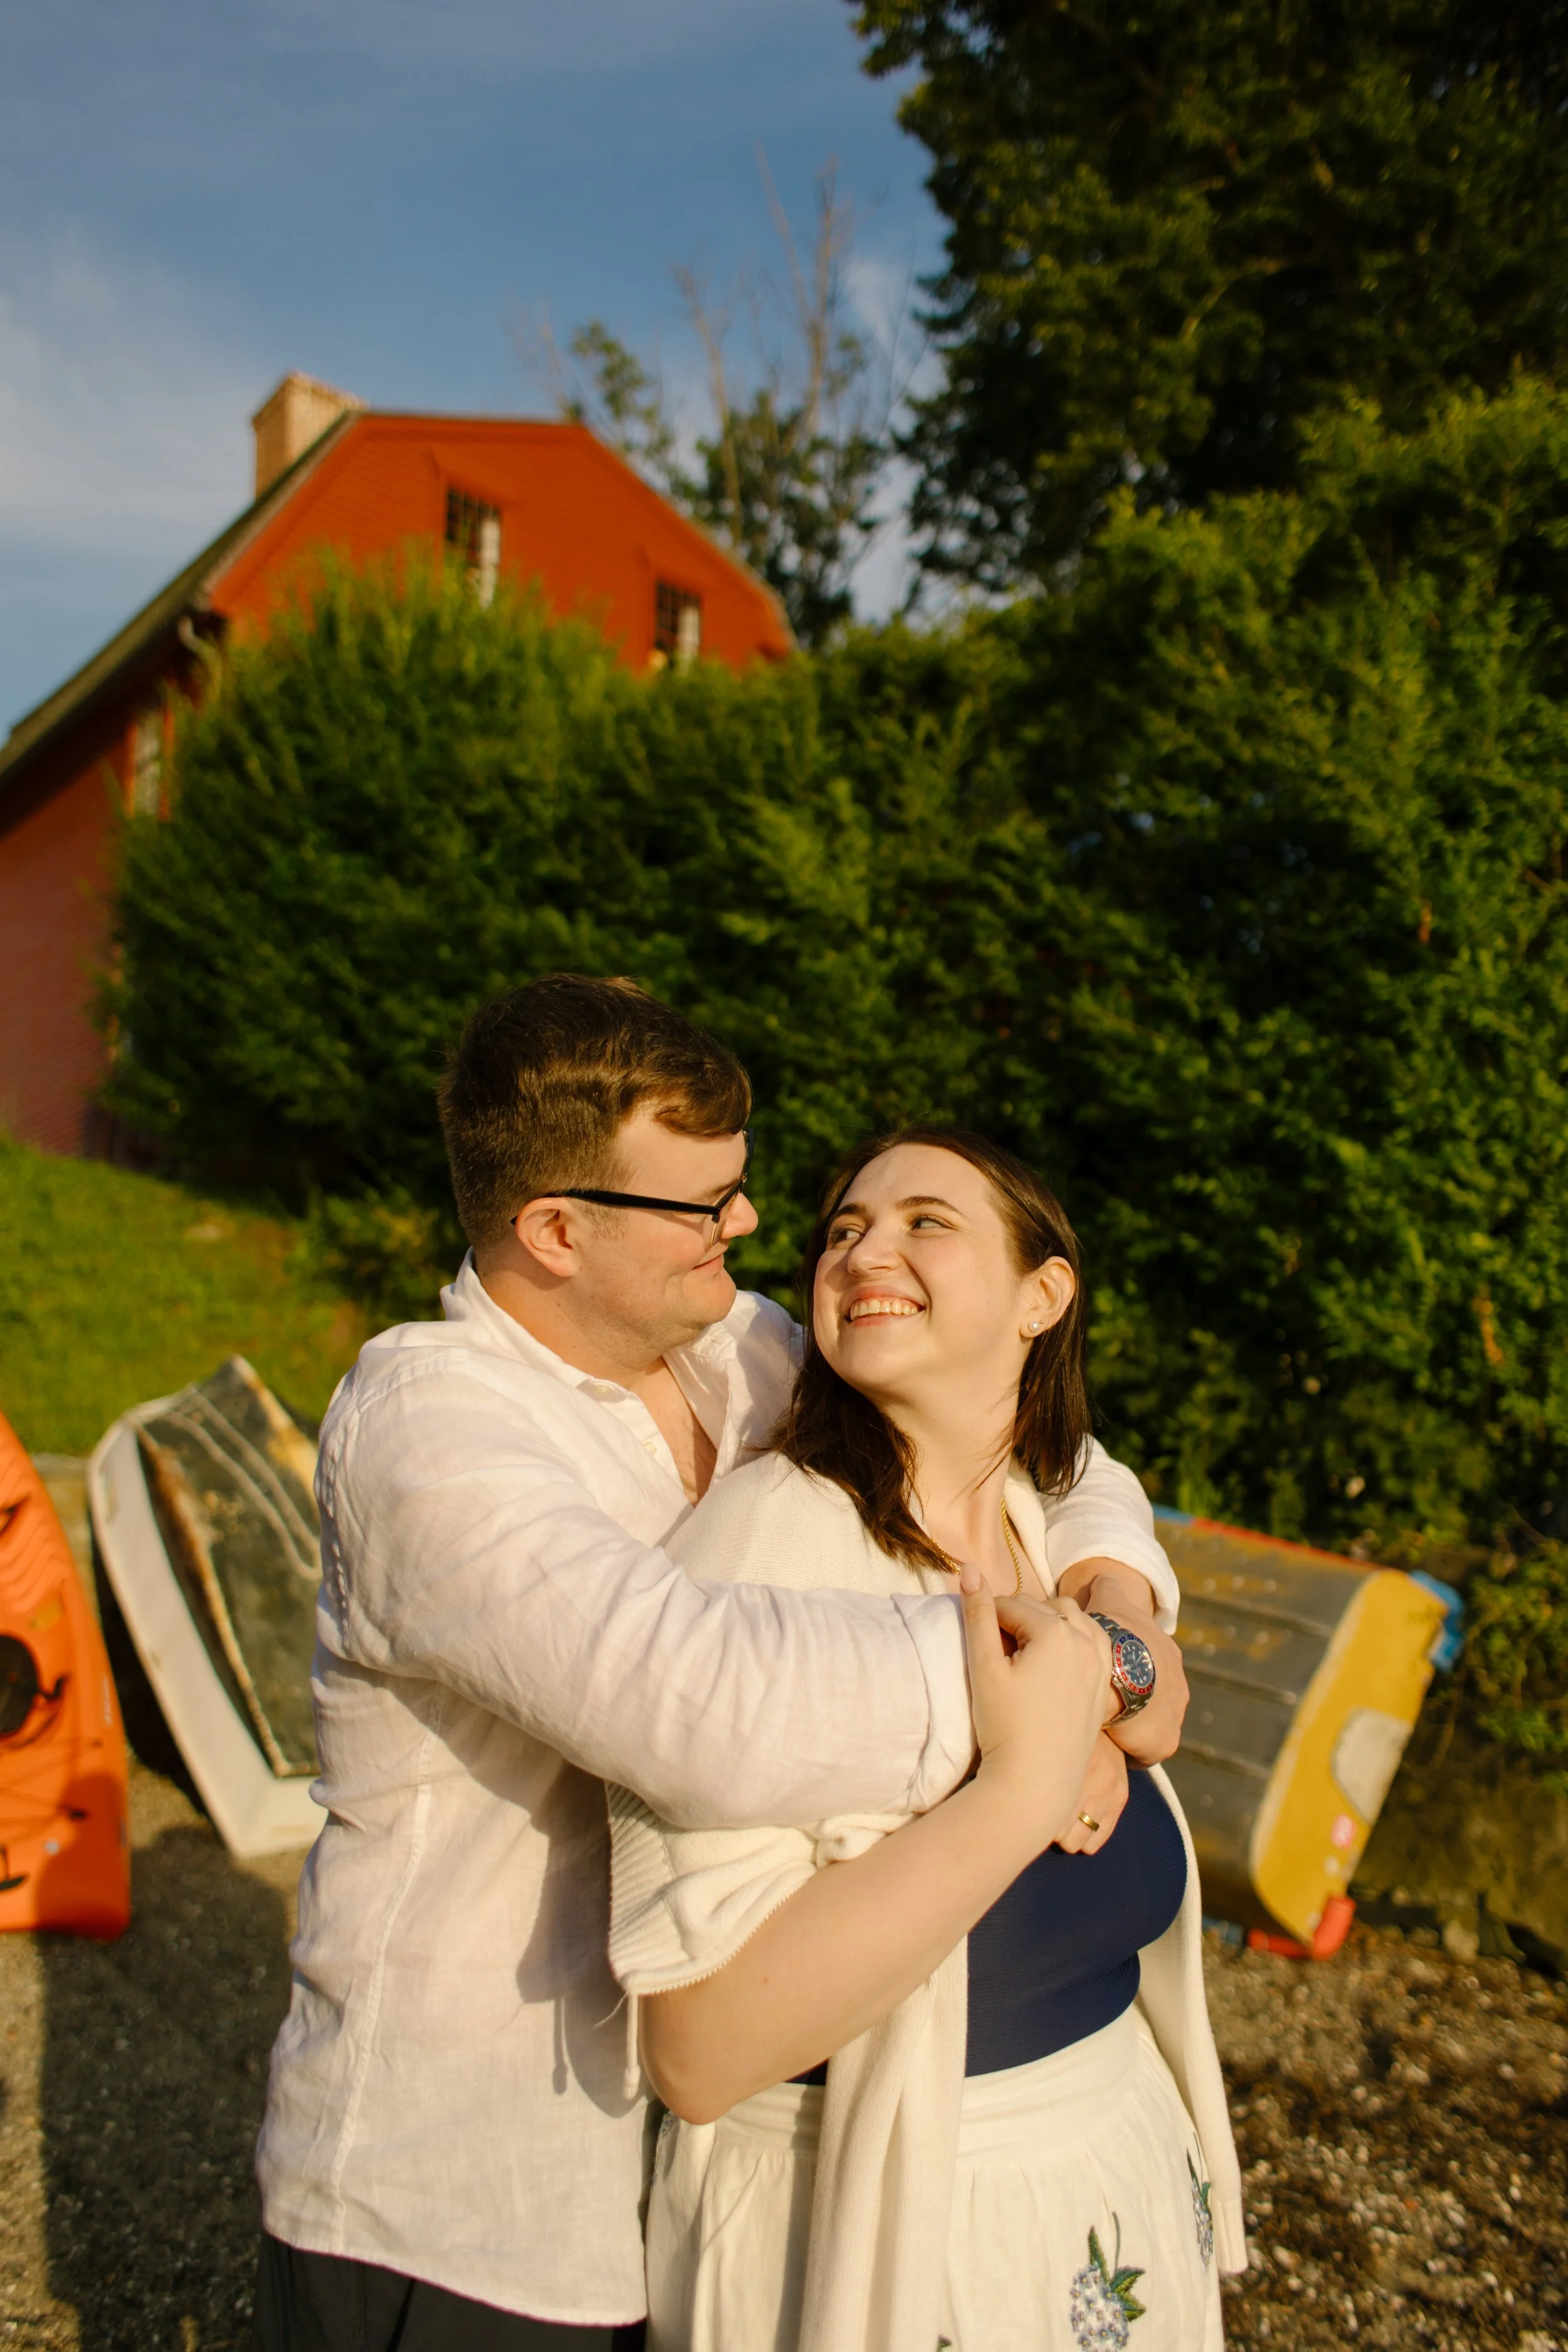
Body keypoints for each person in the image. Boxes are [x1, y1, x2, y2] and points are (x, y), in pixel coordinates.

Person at [251, 977, 1185, 2351]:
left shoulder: (735, 1352)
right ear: (555, 1231)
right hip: (461, 2187)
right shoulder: (427, 1432)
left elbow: (1024, 1441)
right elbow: (689, 1698)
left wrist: (1104, 1602)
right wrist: (1037, 1712)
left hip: (669, 2177)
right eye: (701, 1205)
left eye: (740, 1191)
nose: (746, 1226)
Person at [610, 1127, 1244, 2352]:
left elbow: (1098, 1512)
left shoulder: (1033, 1516)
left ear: (1041, 1295)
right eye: (842, 1231)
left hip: (1107, 2214)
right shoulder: (766, 1551)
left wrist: (1113, 1664)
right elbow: (693, 2051)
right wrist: (1022, 1783)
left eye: (923, 1222)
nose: (862, 1251)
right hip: (880, 2251)